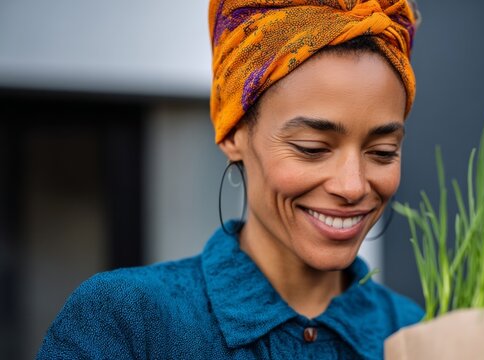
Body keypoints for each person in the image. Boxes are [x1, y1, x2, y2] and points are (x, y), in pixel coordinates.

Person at [38, 0, 423, 358]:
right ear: (233, 133)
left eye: (383, 152)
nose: (353, 185)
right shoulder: (127, 323)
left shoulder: (414, 335)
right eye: (311, 147)